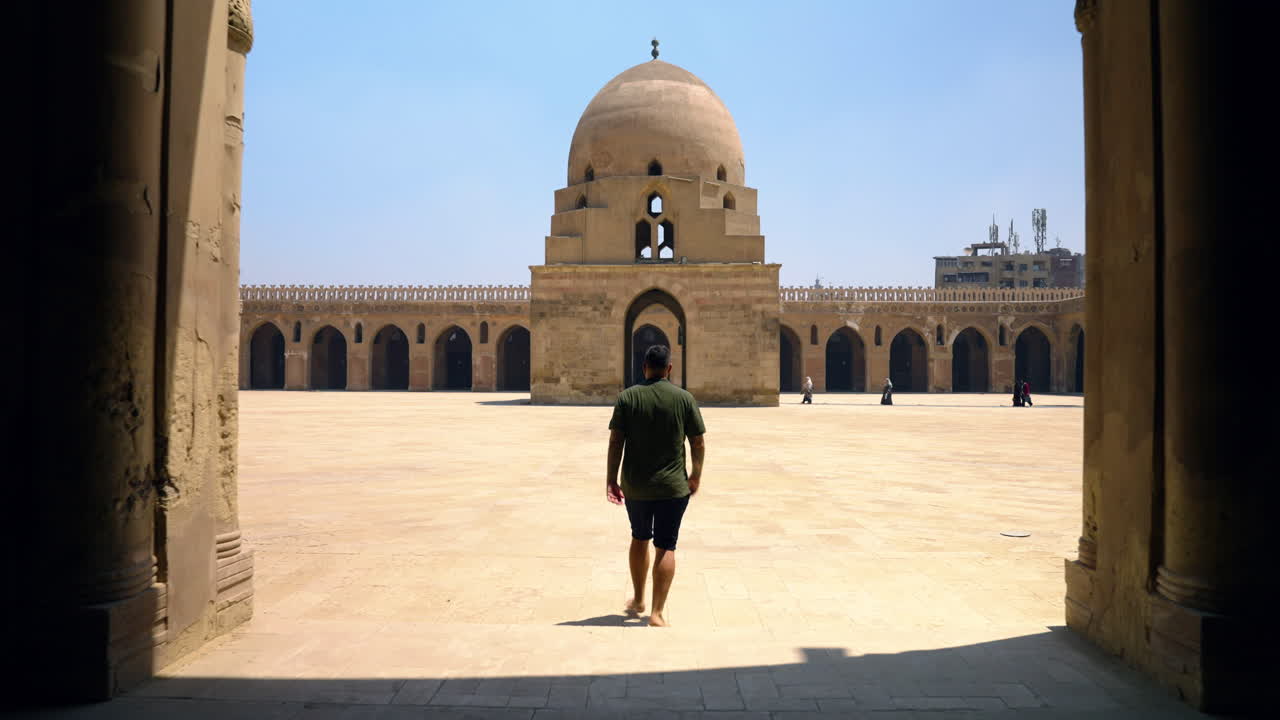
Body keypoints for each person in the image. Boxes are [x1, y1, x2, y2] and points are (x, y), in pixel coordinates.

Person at [606, 344, 706, 627]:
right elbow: (697, 442)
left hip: (636, 486)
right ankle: (657, 613)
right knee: (666, 546)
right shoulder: (684, 399)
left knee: (640, 537)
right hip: (673, 487)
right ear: (669, 369)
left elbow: (616, 442)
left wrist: (611, 479)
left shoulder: (628, 398)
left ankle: (638, 599)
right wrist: (696, 474)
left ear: (644, 367)